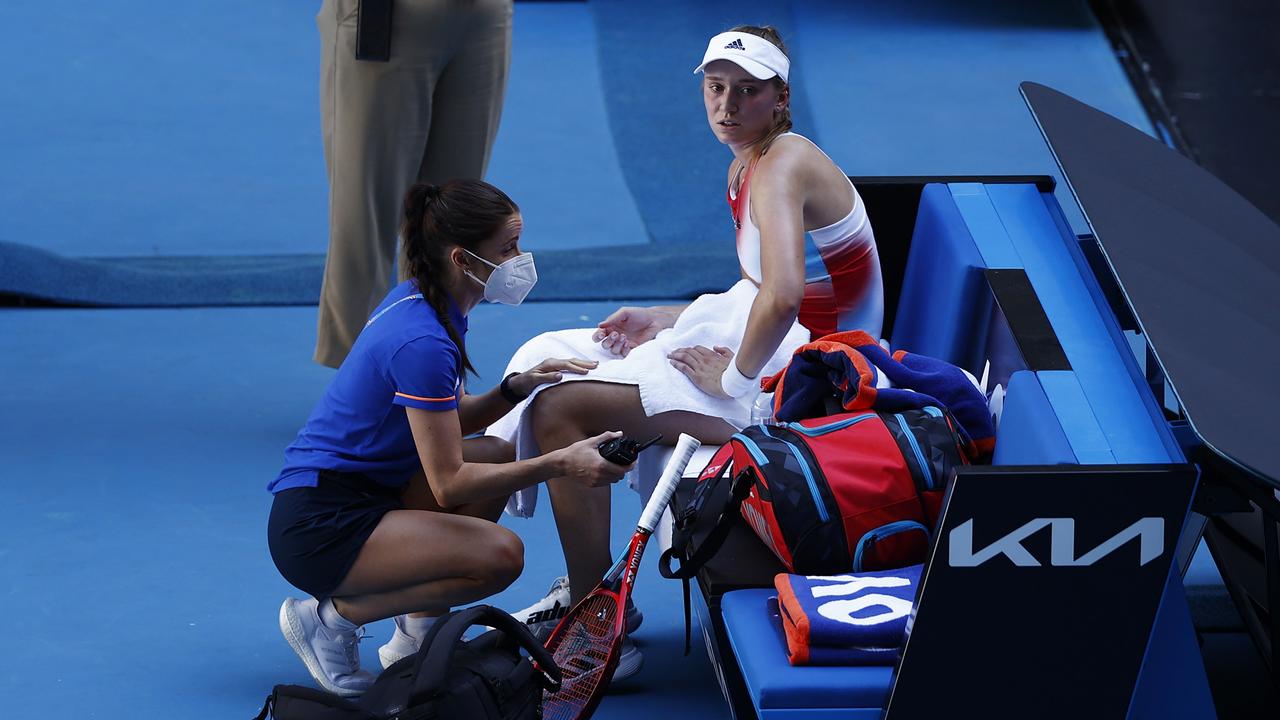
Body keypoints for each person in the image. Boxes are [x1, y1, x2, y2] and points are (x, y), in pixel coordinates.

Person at [486, 25, 884, 672]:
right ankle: (585, 595)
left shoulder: (782, 167)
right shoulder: (755, 157)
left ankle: (595, 624)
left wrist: (733, 383)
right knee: (545, 358)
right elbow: (762, 289)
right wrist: (666, 318)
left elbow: (782, 298)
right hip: (775, 340)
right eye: (716, 88)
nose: (726, 106)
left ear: (780, 97)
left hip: (815, 376)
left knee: (560, 408)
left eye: (747, 92)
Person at [269, 179, 630, 697]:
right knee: (499, 556)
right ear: (463, 259)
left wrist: (514, 389)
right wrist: (562, 462)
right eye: (507, 249)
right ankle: (329, 620)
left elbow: (445, 422)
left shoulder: (426, 303)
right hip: (320, 526)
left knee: (497, 451)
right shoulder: (423, 340)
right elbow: (449, 484)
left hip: (370, 493)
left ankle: (417, 632)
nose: (520, 259)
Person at [314, 0, 514, 368]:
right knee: (366, 215)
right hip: (389, 16)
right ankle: (362, 380)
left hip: (483, 15)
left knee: (454, 222)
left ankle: (431, 372)